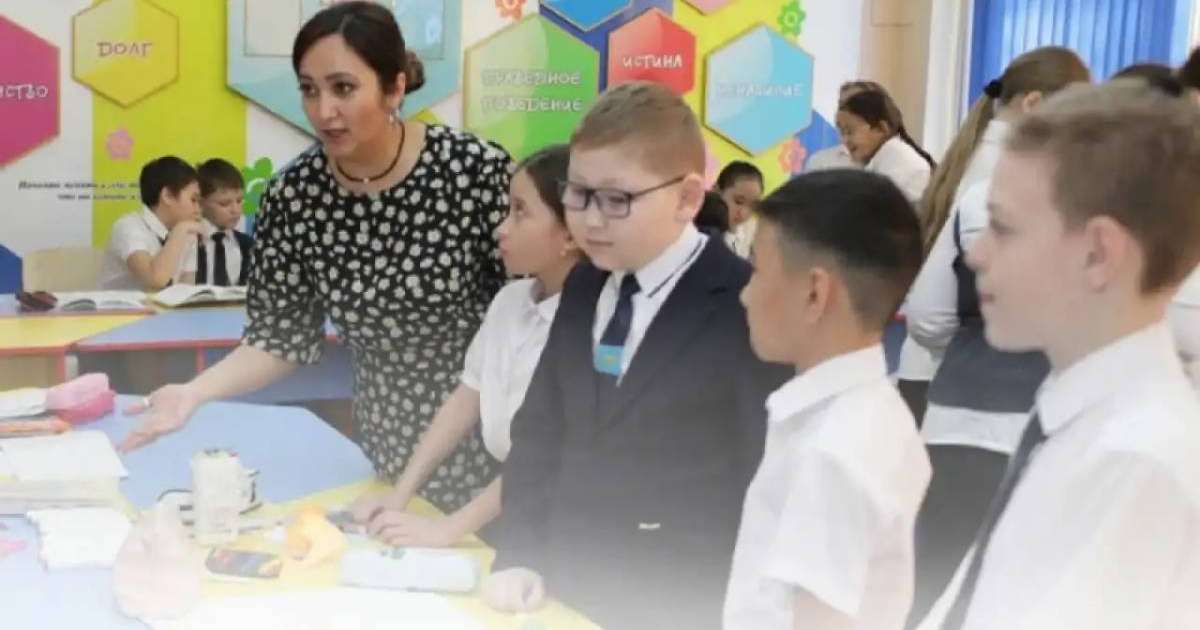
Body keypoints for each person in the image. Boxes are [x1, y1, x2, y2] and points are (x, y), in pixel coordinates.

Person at [119, 1, 513, 515]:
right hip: (386, 455)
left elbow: (535, 319)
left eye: (343, 88)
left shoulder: (474, 173)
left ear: (394, 88)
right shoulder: (297, 195)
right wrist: (193, 394)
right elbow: (279, 336)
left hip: (496, 456)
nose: (323, 110)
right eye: (309, 89)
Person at [481, 81, 790, 630]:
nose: (591, 219)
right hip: (562, 588)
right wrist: (520, 551)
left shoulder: (747, 303)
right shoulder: (581, 285)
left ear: (688, 199)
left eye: (617, 200)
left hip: (681, 599)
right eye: (577, 194)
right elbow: (541, 429)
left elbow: (766, 476)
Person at [927, 80, 1200, 630]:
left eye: (1003, 228)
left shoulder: (1134, 457)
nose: (976, 254)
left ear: (1098, 254)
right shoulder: (1075, 413)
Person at [903, 46, 1090, 626]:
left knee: (928, 584)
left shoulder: (972, 183)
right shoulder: (1090, 204)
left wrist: (973, 348)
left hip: (953, 409)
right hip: (1039, 423)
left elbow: (929, 313)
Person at [725, 169, 931, 630]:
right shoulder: (875, 413)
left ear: (815, 292)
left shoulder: (832, 449)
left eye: (756, 270)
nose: (744, 294)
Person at [346, 145, 578, 546]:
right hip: (513, 504)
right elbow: (465, 399)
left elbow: (542, 454)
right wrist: (400, 496)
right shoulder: (511, 301)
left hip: (567, 521)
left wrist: (448, 529)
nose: (501, 228)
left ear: (570, 234)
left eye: (520, 212)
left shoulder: (590, 325)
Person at [99, 156, 202, 291]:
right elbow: (154, 280)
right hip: (121, 310)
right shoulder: (128, 227)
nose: (198, 210)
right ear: (168, 196)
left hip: (164, 311)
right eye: (193, 200)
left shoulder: (185, 232)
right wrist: (180, 231)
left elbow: (186, 291)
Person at [836, 90, 934, 204]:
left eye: (849, 131)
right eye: (842, 133)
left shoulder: (900, 162)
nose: (844, 141)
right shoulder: (882, 159)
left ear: (881, 128)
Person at [806, 80, 888, 172]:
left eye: (855, 106)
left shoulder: (897, 160)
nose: (845, 113)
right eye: (841, 106)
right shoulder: (820, 163)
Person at [196, 158, 253, 286]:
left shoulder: (247, 245)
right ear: (200, 202)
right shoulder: (186, 242)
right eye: (224, 203)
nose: (236, 210)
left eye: (239, 201)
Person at [715, 161, 764, 258]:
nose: (744, 213)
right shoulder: (694, 226)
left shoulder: (751, 236)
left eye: (752, 206)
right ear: (717, 191)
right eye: (738, 202)